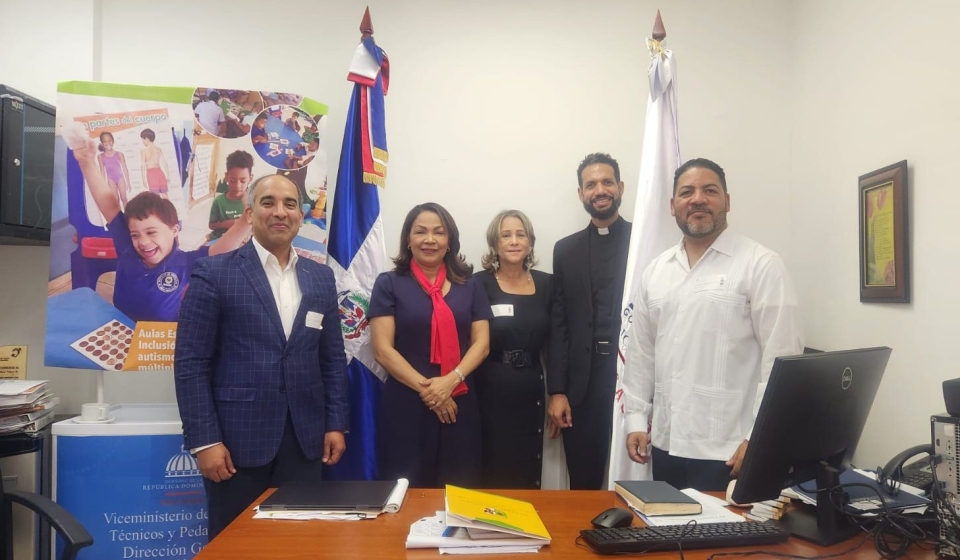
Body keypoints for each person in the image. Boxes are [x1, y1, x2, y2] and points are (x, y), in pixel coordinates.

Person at [174, 174, 349, 540]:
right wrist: (205, 441)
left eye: (289, 204)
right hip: (236, 445)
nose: (280, 212)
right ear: (250, 213)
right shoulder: (215, 272)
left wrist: (335, 423)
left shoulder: (320, 278)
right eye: (268, 203)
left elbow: (331, 360)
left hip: (305, 441)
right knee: (236, 545)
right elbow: (192, 363)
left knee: (299, 544)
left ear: (300, 216)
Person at [622, 158, 803, 491]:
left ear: (727, 201)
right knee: (668, 537)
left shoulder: (761, 265)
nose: (698, 199)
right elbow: (641, 353)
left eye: (710, 190)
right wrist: (635, 418)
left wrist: (759, 439)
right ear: (673, 205)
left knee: (727, 544)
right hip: (665, 444)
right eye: (687, 192)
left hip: (731, 452)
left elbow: (782, 362)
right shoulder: (656, 271)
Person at [369, 202, 492, 488]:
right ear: (408, 239)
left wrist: (450, 382)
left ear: (449, 240)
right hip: (406, 403)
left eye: (439, 232)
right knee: (405, 489)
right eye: (420, 232)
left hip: (460, 402)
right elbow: (383, 350)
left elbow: (482, 344)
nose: (430, 240)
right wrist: (432, 391)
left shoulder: (470, 285)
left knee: (460, 489)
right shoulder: (389, 283)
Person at [72, 137, 249, 322]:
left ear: (174, 231)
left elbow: (220, 249)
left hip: (161, 340)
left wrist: (247, 219)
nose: (143, 241)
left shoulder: (185, 262)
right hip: (123, 329)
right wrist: (86, 162)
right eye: (135, 234)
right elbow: (108, 204)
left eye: (151, 232)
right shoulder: (127, 246)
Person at [548, 152, 632, 490]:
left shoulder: (644, 243)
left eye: (607, 182)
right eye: (591, 184)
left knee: (631, 478)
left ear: (620, 187)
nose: (600, 190)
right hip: (582, 384)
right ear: (581, 193)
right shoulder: (565, 250)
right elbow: (559, 324)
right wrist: (557, 390)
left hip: (630, 379)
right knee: (583, 479)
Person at [474, 210, 553, 489]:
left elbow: (556, 342)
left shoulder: (547, 284)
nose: (513, 241)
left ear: (530, 242)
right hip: (490, 388)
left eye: (521, 234)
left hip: (531, 387)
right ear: (494, 243)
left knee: (527, 466)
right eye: (505, 235)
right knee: (493, 466)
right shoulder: (478, 283)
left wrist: (558, 392)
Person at [208, 150, 253, 241]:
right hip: (221, 239)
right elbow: (211, 225)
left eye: (243, 181)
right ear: (226, 176)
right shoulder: (219, 201)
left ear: (250, 178)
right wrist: (225, 224)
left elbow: (257, 225)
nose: (237, 185)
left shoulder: (253, 201)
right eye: (233, 180)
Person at [97, 131, 131, 210]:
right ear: (102, 143)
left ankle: (127, 216)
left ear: (113, 141)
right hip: (110, 180)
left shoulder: (119, 154)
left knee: (124, 198)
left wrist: (128, 182)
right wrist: (102, 185)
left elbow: (125, 168)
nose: (108, 143)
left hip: (120, 178)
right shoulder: (100, 157)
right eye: (105, 141)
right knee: (116, 200)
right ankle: (119, 218)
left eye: (109, 140)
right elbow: (102, 171)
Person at [139, 128, 171, 197]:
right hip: (160, 173)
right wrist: (168, 176)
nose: (143, 142)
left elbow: (142, 166)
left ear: (147, 139)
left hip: (151, 174)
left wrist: (144, 179)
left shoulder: (143, 151)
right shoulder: (158, 150)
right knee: (164, 194)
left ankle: (158, 208)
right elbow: (165, 164)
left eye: (143, 140)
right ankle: (167, 207)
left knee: (155, 196)